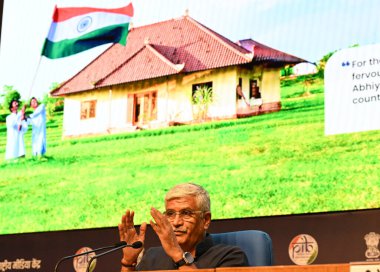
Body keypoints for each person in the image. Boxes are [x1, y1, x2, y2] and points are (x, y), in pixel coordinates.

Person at [118, 183, 248, 271]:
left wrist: (177, 254)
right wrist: (128, 263)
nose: (176, 222)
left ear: (206, 220)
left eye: (186, 213)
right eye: (170, 214)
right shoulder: (152, 256)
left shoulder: (231, 256)